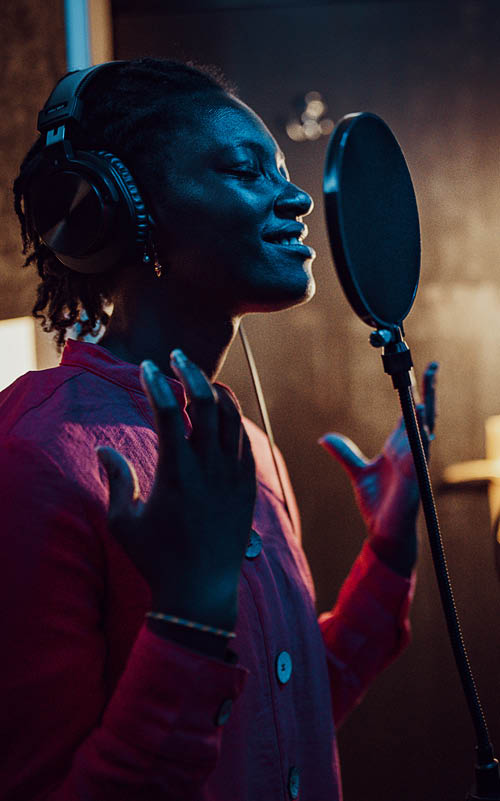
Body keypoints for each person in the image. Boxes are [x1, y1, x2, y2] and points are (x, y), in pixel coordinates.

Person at [1, 57, 436, 800]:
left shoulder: (244, 447)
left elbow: (279, 721)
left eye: (284, 171)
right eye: (247, 170)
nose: (297, 197)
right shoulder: (36, 453)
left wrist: (389, 552)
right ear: (124, 210)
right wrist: (189, 614)